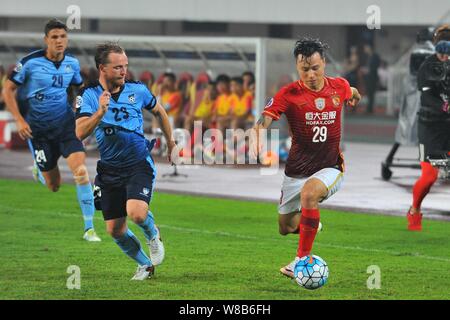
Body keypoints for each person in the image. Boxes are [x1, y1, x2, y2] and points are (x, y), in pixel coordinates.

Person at [251, 37, 360, 278]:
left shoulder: (338, 86)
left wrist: (355, 97)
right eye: (304, 69)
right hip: (296, 170)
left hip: (330, 167)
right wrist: (257, 134)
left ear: (324, 65)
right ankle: (312, 223)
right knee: (285, 226)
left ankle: (300, 261)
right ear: (297, 68)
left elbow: (351, 91)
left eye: (315, 68)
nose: (310, 74)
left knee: (309, 194)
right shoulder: (289, 94)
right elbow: (266, 117)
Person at [75, 42, 176, 280]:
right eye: (118, 67)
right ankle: (145, 265)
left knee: (137, 213)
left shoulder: (137, 90)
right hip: (109, 169)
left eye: (126, 66)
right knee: (115, 230)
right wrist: (99, 113)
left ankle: (153, 234)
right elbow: (79, 132)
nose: (124, 71)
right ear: (103, 68)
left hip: (138, 162)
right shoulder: (88, 95)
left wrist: (170, 142)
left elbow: (159, 111)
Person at [1, 19, 101, 242]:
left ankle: (89, 228)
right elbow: (7, 90)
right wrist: (18, 119)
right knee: (54, 185)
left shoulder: (72, 64)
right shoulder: (29, 63)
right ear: (46, 39)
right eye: (54, 37)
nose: (59, 41)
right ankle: (40, 167)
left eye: (63, 37)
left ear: (67, 39)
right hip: (39, 132)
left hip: (66, 127)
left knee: (81, 171)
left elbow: (77, 88)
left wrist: (82, 110)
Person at [407, 25, 450, 231]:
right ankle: (415, 210)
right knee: (430, 176)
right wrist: (445, 106)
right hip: (432, 127)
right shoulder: (428, 66)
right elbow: (427, 96)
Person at [362, 44, 380, 114]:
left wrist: (368, 70)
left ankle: (370, 109)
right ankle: (369, 108)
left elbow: (375, 66)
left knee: (371, 94)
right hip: (369, 77)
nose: (365, 50)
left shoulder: (375, 56)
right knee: (369, 94)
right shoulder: (369, 57)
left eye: (366, 48)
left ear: (369, 48)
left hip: (373, 77)